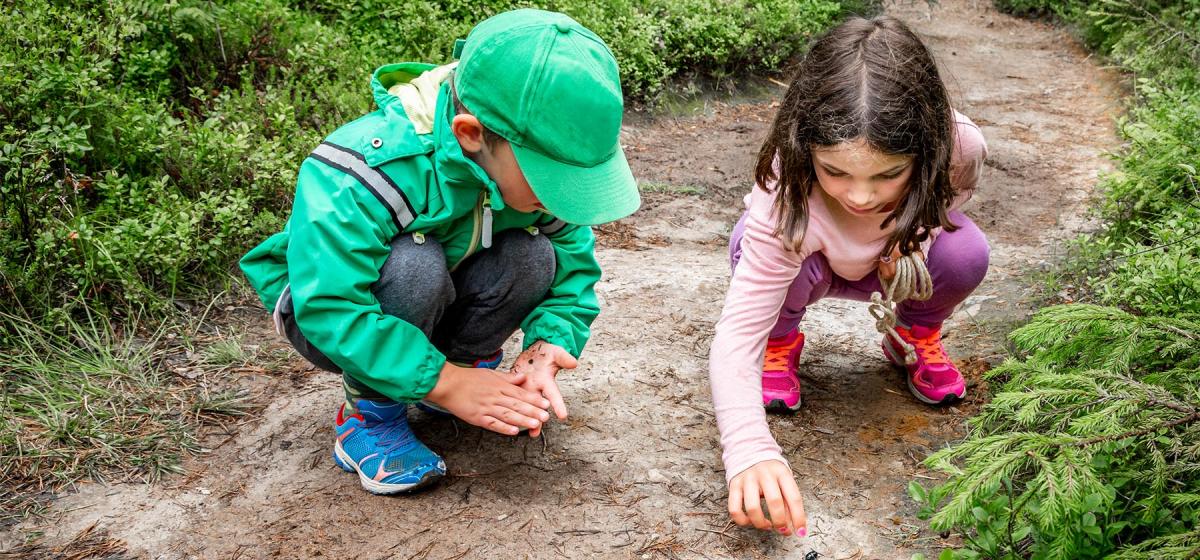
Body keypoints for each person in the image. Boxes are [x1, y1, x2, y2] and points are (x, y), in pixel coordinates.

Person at [239, 9, 640, 495]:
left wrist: (550, 342)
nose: (562, 198)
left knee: (533, 256)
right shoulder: (365, 170)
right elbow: (330, 306)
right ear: (471, 134)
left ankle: (452, 374)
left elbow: (572, 269)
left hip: (437, 293)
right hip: (326, 313)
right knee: (414, 265)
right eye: (551, 179)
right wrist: (446, 383)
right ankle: (369, 416)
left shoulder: (524, 172)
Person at [709, 16, 989, 536]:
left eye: (888, 174)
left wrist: (911, 243)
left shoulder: (961, 147)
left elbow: (946, 203)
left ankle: (914, 331)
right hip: (808, 267)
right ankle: (783, 338)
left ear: (925, 151)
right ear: (804, 145)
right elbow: (736, 330)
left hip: (893, 268)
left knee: (966, 252)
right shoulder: (784, 175)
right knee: (755, 243)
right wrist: (748, 449)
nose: (860, 197)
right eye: (835, 171)